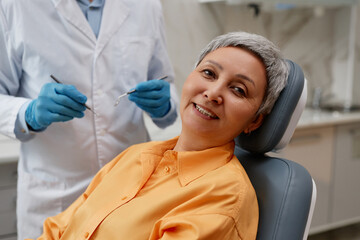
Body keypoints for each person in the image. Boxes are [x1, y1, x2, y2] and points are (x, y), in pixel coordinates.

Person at [30, 31, 289, 240]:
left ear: (255, 120)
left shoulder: (223, 196)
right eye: (209, 73)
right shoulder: (133, 156)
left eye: (238, 90)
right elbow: (58, 231)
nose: (212, 93)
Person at [0, 0, 178, 238]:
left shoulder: (146, 5)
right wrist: (29, 112)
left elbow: (164, 81)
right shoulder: (16, 6)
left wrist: (164, 105)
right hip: (55, 198)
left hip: (129, 194)